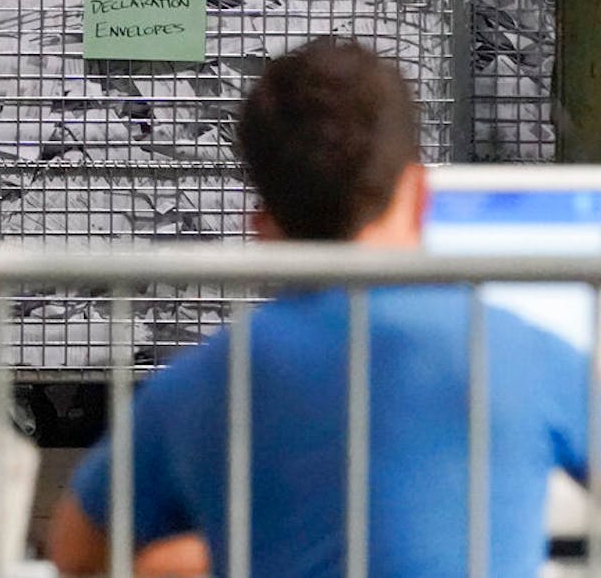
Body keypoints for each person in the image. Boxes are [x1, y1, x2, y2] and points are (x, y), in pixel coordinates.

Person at [48, 38, 589, 577]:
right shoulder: (521, 353)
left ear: (261, 228)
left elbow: (75, 552)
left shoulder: (208, 381)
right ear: (422, 194)